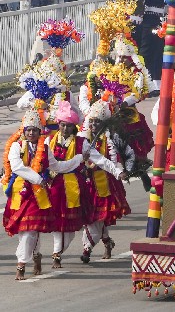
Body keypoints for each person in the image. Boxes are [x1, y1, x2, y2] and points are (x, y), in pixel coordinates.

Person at [46, 100, 99, 269]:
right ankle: (56, 253)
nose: (65, 129)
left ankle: (60, 251)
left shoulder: (82, 143)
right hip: (54, 186)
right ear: (58, 124)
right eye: (62, 125)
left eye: (69, 126)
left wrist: (117, 171)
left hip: (75, 187)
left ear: (74, 127)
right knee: (57, 223)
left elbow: (99, 159)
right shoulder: (49, 142)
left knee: (69, 228)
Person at [2, 108, 53, 280]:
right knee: (26, 230)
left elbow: (56, 166)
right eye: (28, 130)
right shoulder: (16, 146)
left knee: (30, 229)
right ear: (24, 131)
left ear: (39, 132)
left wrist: (77, 161)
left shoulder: (44, 148)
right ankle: (36, 255)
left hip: (38, 194)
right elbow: (17, 167)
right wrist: (38, 179)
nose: (31, 133)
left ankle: (21, 265)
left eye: (34, 130)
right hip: (20, 192)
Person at [79, 97, 130, 262]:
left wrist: (120, 172)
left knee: (97, 218)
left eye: (97, 122)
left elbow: (113, 161)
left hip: (104, 183)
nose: (93, 126)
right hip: (85, 183)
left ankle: (86, 249)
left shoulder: (110, 139)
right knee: (92, 218)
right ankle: (107, 242)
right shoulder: (82, 137)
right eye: (91, 122)